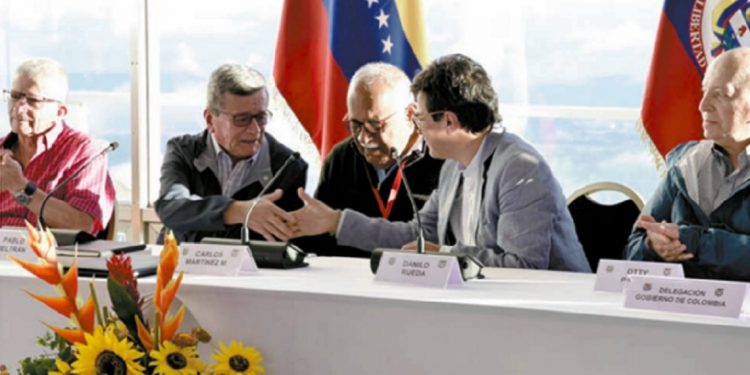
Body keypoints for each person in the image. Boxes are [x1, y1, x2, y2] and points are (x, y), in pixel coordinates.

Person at [291, 54, 590, 271]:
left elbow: (525, 267)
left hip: (552, 315)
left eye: (419, 118)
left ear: (448, 121)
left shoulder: (521, 168)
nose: (417, 129)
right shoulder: (453, 165)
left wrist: (445, 255)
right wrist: (337, 221)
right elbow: (417, 236)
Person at [625, 48, 750, 281]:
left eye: (720, 94)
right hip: (683, 310)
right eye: (704, 92)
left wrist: (697, 243)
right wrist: (653, 245)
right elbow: (632, 251)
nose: (703, 105)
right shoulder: (685, 161)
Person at [155, 63, 307, 243]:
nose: (255, 130)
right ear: (210, 119)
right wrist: (239, 211)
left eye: (261, 117)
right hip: (179, 264)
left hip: (253, 269)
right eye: (242, 119)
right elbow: (171, 208)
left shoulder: (288, 166)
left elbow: (284, 244)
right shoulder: (184, 150)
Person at [311, 62, 443, 257]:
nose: (364, 139)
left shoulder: (443, 159)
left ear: (410, 114)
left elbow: (438, 240)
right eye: (355, 124)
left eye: (375, 125)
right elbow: (319, 240)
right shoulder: (342, 157)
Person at [0, 58, 115, 235]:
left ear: (60, 112)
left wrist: (20, 187)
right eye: (15, 96)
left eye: (33, 100)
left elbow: (83, 225)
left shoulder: (84, 151)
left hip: (52, 258)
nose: (19, 108)